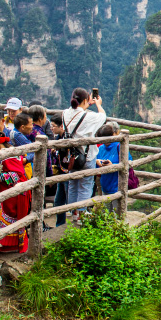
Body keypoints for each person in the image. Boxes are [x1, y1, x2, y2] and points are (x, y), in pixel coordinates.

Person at [62, 88, 107, 226]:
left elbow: (78, 111)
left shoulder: (65, 113)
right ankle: (82, 214)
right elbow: (102, 117)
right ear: (85, 100)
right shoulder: (88, 117)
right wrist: (98, 104)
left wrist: (87, 103)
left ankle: (73, 213)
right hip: (86, 156)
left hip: (72, 156)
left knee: (73, 183)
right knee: (86, 185)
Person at [94, 124, 132, 213]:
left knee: (118, 212)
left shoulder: (119, 146)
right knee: (106, 213)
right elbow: (96, 168)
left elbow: (129, 162)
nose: (104, 141)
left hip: (117, 185)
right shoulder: (101, 148)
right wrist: (97, 162)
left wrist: (113, 165)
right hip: (105, 184)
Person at [50, 115, 69, 227]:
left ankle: (68, 224)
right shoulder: (58, 138)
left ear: (61, 126)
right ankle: (60, 225)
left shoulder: (67, 138)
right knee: (59, 200)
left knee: (68, 199)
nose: (52, 128)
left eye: (53, 126)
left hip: (67, 171)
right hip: (61, 171)